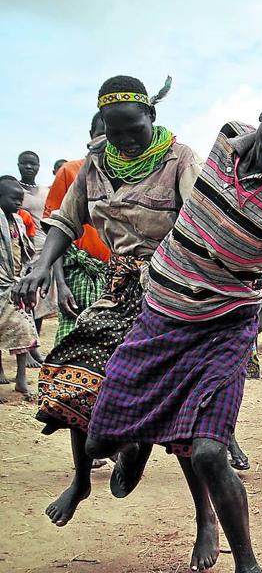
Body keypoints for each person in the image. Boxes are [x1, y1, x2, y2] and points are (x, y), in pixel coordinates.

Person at [82, 80, 262, 573]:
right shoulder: (226, 138)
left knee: (207, 453)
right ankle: (136, 441)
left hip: (225, 326)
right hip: (161, 308)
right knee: (98, 442)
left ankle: (246, 561)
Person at [13, 75, 204, 537]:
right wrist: (41, 265)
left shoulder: (181, 158)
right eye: (113, 132)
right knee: (73, 372)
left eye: (133, 129)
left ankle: (205, 518)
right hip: (120, 286)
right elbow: (66, 220)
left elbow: (203, 220)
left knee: (182, 409)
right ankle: (82, 480)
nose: (124, 140)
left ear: (152, 117)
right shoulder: (95, 163)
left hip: (174, 290)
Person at [43, 113, 112, 348]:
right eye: (101, 133)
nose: (107, 140)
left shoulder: (132, 175)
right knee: (70, 342)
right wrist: (61, 285)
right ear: (91, 136)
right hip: (77, 275)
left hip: (117, 275)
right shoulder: (70, 172)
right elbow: (57, 230)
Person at [0, 177, 39, 397]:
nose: (19, 202)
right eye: (14, 198)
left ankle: (21, 379)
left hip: (15, 283)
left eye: (21, 199)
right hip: (1, 283)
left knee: (24, 330)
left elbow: (25, 251)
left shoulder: (18, 221)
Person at [15, 150, 50, 365]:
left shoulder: (45, 191)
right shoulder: (13, 189)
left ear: (39, 166)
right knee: (23, 302)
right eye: (25, 163)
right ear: (18, 165)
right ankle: (24, 351)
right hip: (23, 248)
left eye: (33, 164)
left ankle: (35, 349)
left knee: (39, 303)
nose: (29, 167)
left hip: (44, 248)